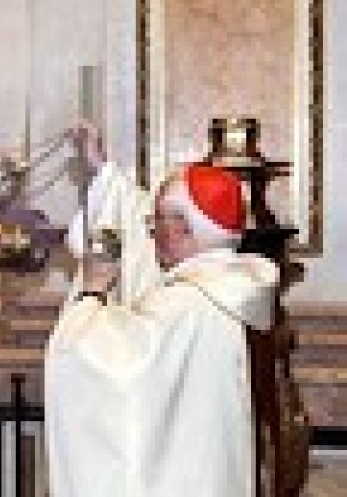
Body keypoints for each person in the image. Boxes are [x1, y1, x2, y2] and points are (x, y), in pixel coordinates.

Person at [44, 125, 278, 497]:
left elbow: (101, 366)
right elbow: (140, 219)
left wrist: (92, 293)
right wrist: (104, 172)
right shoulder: (229, 285)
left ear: (184, 228)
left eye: (158, 222)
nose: (150, 232)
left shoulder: (185, 304)